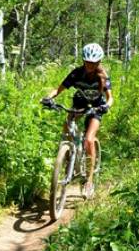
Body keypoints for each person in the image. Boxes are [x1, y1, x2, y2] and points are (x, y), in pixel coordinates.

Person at [41, 43, 113, 197]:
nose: (90, 66)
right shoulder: (76, 74)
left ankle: (89, 180)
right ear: (83, 60)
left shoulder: (103, 76)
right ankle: (67, 156)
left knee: (88, 140)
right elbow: (58, 89)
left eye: (93, 63)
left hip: (96, 108)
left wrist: (106, 106)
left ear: (99, 62)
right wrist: (48, 98)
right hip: (80, 103)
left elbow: (110, 98)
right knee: (67, 127)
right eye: (87, 62)